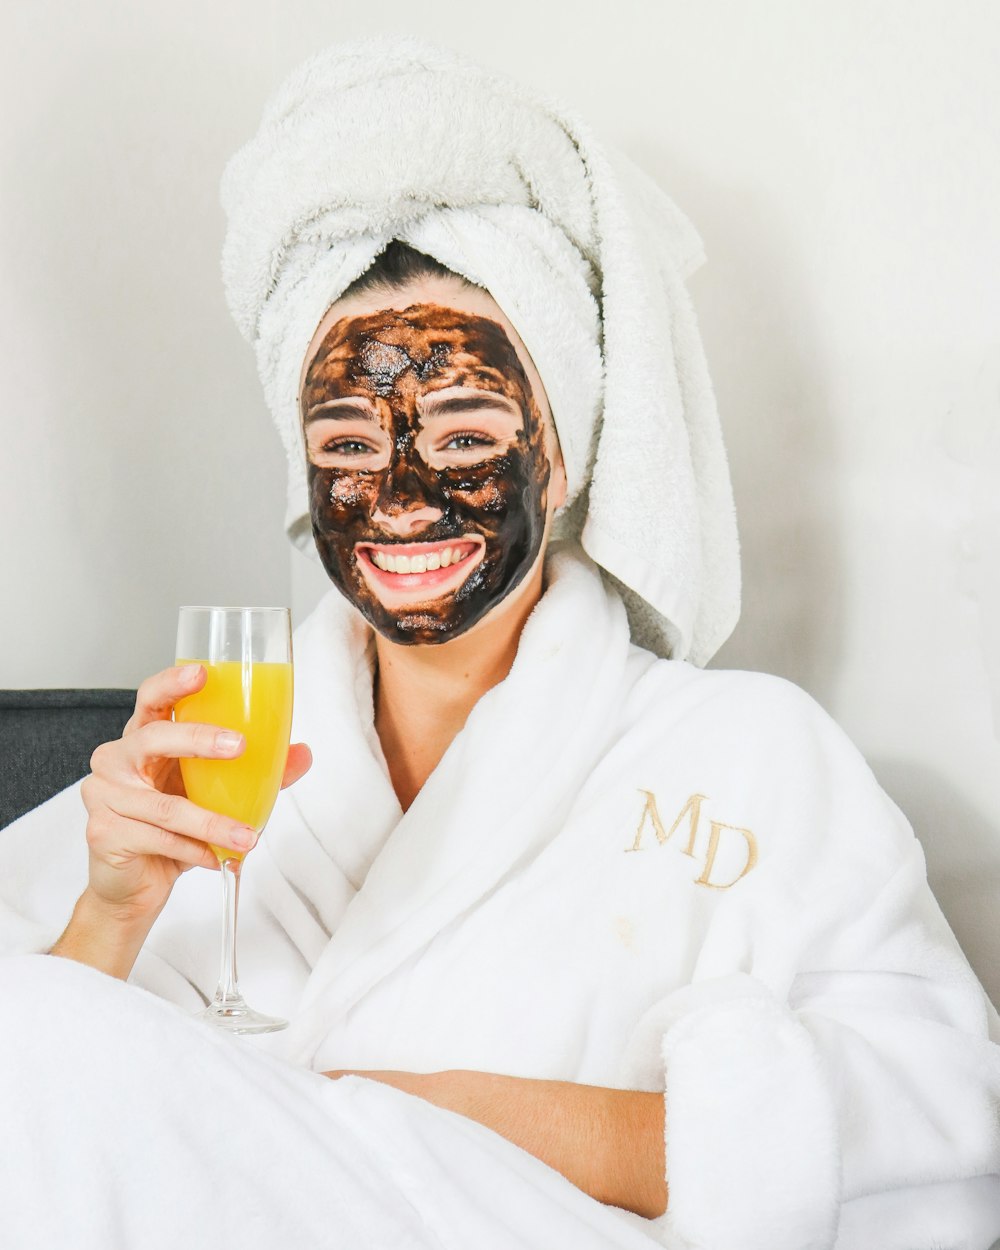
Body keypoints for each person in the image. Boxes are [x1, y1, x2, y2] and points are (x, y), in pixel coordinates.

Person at [2, 36, 999, 1250]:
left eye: (466, 439)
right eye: (349, 449)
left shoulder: (747, 757)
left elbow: (946, 1138)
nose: (403, 497)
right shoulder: (204, 757)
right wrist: (109, 913)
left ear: (566, 454)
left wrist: (419, 1117)